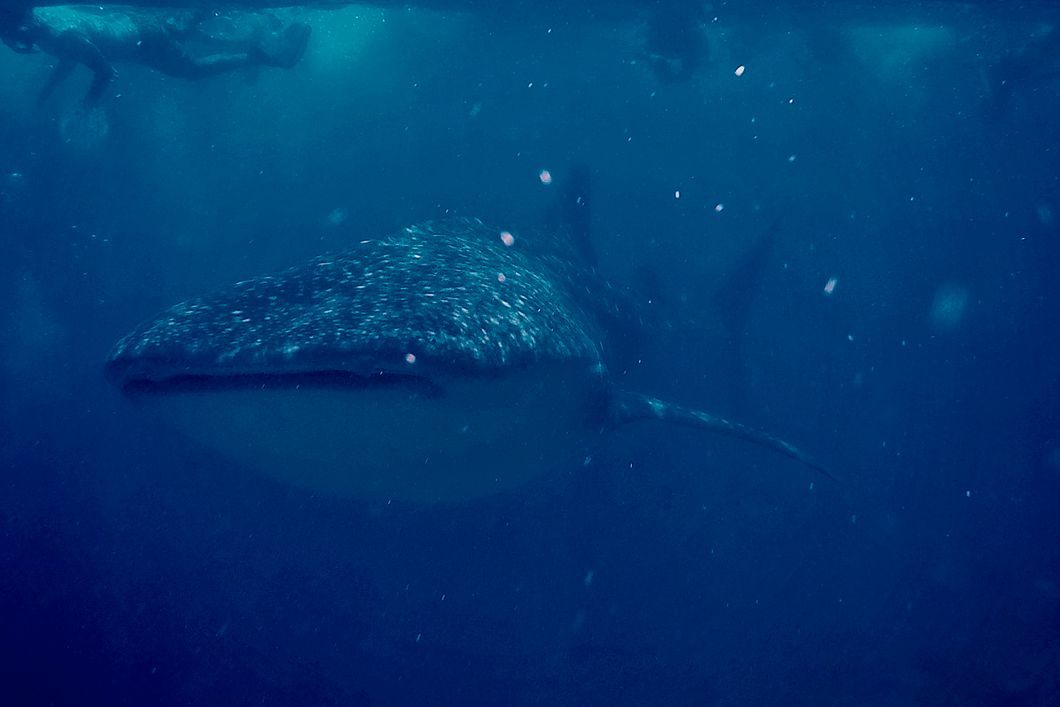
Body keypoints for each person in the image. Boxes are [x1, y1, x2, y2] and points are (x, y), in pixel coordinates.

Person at [0, 5, 311, 108]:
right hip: (134, 24)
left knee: (192, 70)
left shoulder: (57, 34)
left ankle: (266, 57)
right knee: (190, 33)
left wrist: (86, 107)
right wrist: (47, 91)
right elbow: (72, 56)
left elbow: (105, 72)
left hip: (143, 42)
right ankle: (254, 40)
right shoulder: (46, 21)